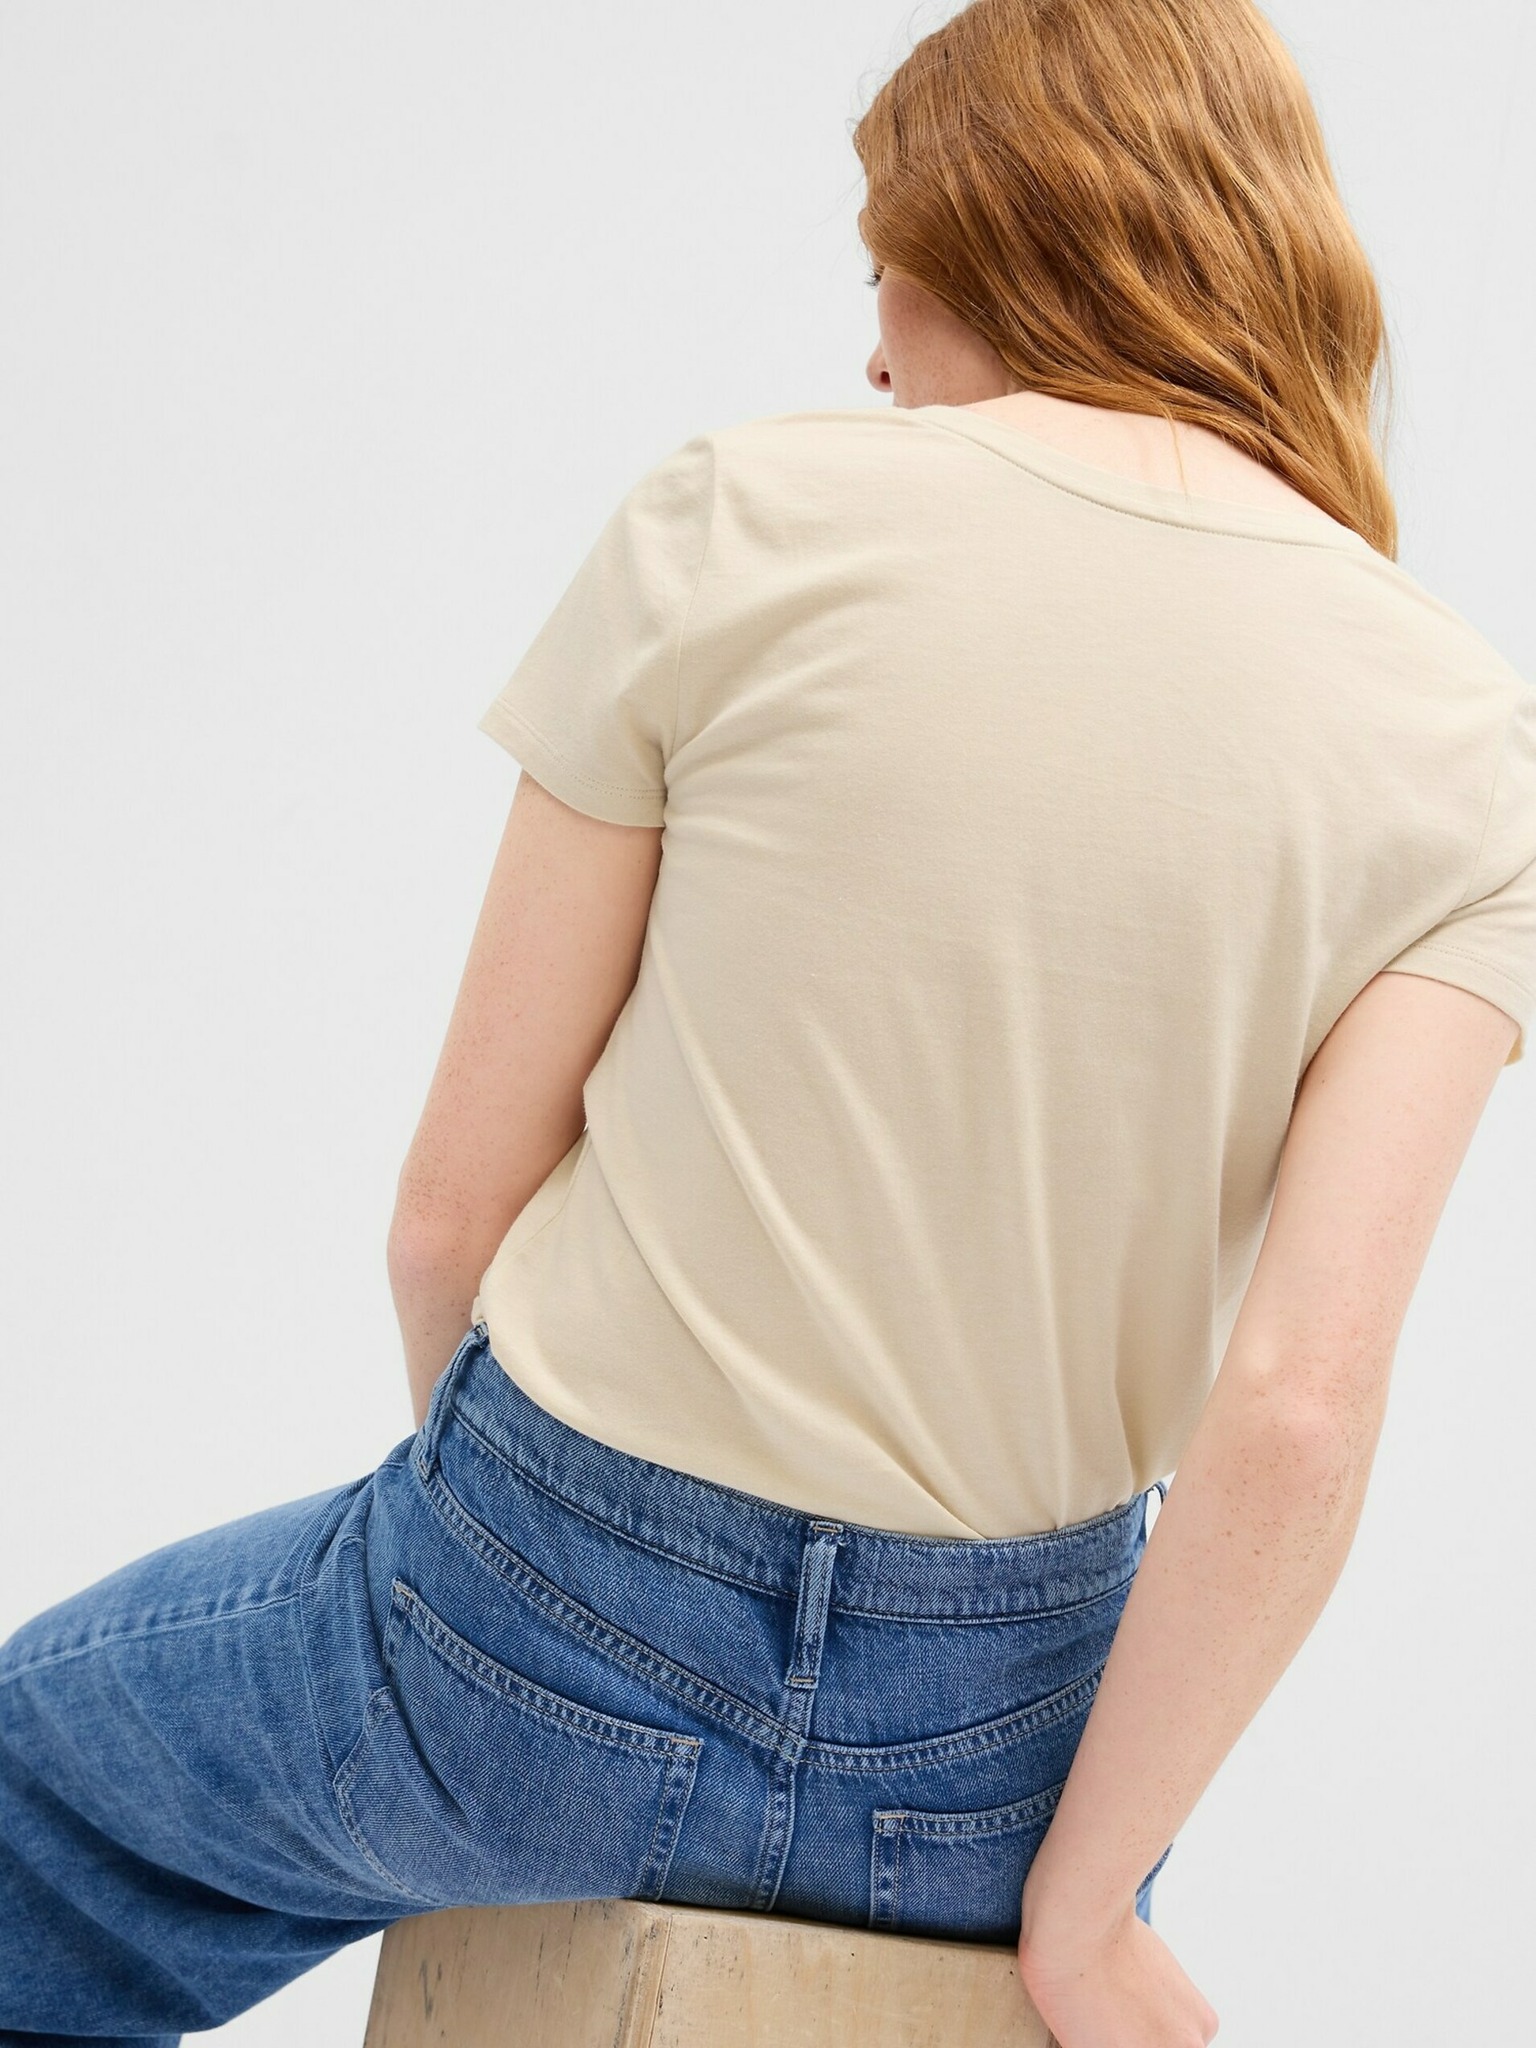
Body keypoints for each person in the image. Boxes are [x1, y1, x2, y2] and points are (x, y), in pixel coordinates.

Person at [3, 0, 1533, 2042]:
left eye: (888, 268)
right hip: (1003, 1760)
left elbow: (449, 1215)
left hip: (529, 1611)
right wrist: (1087, 1900)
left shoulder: (743, 515)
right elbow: (1300, 1413)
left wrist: (530, 1607)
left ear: (1000, 238)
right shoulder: (1464, 738)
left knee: (31, 1823)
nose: (876, 354)